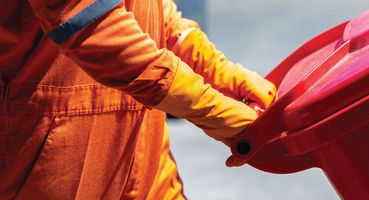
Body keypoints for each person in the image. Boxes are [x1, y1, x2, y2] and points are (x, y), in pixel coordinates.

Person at [0, 0, 276, 199]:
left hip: (145, 147)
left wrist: (213, 66)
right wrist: (206, 105)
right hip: (58, 153)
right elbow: (89, 23)